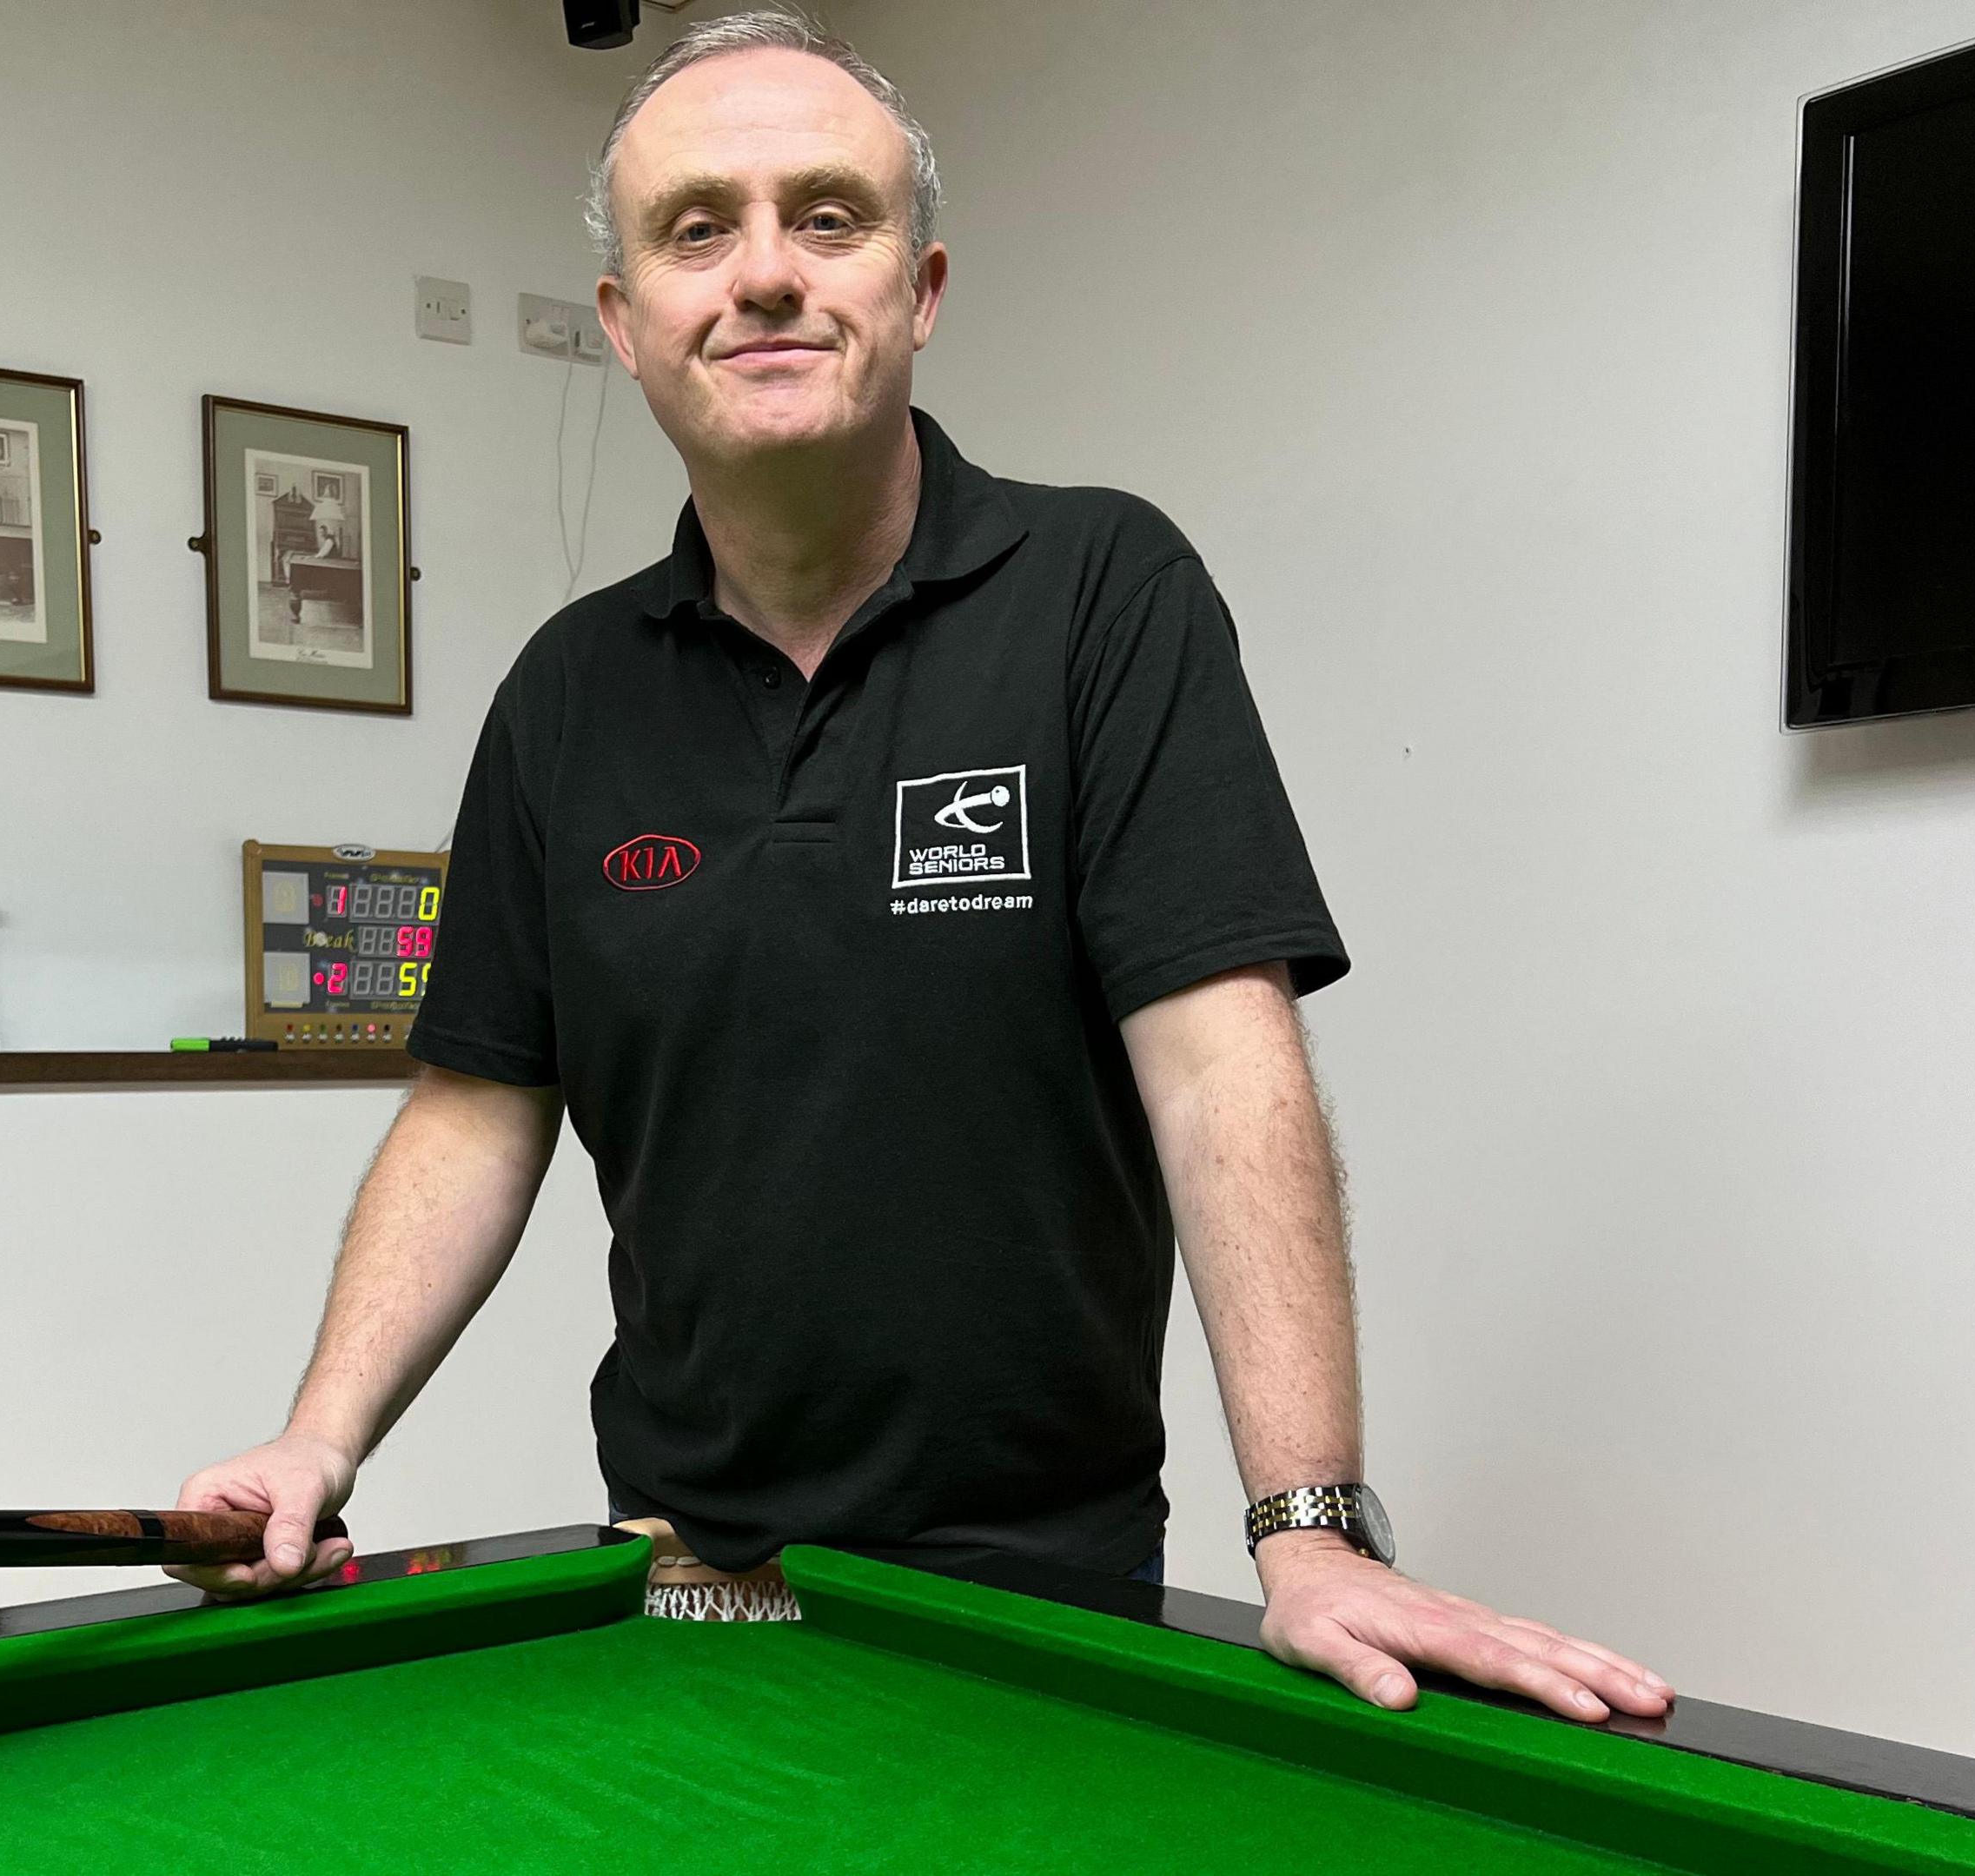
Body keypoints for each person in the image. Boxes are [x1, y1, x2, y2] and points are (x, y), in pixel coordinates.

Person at [170, 11, 1670, 1725]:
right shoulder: (564, 692)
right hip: (678, 1572)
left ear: (922, 285)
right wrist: (320, 1429)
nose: (764, 275)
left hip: (1038, 1582)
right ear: (626, 325)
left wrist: (1311, 1525)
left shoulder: (1105, 589)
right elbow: (479, 1105)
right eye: (696, 227)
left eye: (827, 215)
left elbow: (1217, 1056)